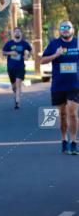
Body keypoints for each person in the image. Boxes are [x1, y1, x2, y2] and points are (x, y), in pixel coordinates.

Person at [41, 20, 78, 155]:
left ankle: (74, 142)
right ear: (59, 30)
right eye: (63, 27)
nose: (65, 29)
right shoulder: (54, 44)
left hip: (75, 85)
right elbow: (42, 60)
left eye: (68, 27)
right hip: (58, 85)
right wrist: (55, 55)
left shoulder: (77, 43)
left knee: (72, 113)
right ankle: (64, 140)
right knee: (62, 115)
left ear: (72, 30)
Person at [2, 28, 32, 109]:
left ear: (21, 33)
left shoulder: (24, 43)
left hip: (20, 66)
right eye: (16, 32)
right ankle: (16, 93)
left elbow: (30, 50)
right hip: (11, 67)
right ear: (13, 34)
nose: (17, 33)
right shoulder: (9, 43)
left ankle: (17, 102)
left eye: (19, 32)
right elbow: (3, 52)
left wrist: (27, 56)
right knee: (14, 86)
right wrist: (11, 53)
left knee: (18, 83)